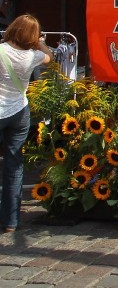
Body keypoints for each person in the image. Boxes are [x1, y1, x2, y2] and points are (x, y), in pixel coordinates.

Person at [0, 14, 53, 232]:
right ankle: (11, 221)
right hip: (19, 110)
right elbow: (49, 56)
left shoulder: (1, 50)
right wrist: (39, 41)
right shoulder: (33, 56)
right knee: (14, 165)